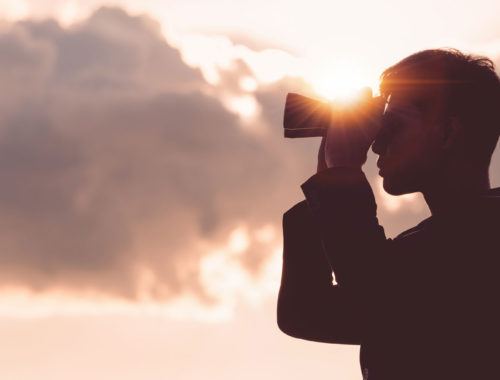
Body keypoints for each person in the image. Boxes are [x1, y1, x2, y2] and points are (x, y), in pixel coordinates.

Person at [277, 48, 500, 380]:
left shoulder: (484, 238)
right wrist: (330, 171)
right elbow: (306, 312)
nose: (376, 145)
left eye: (391, 126)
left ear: (447, 133)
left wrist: (343, 174)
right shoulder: (428, 251)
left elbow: (375, 290)